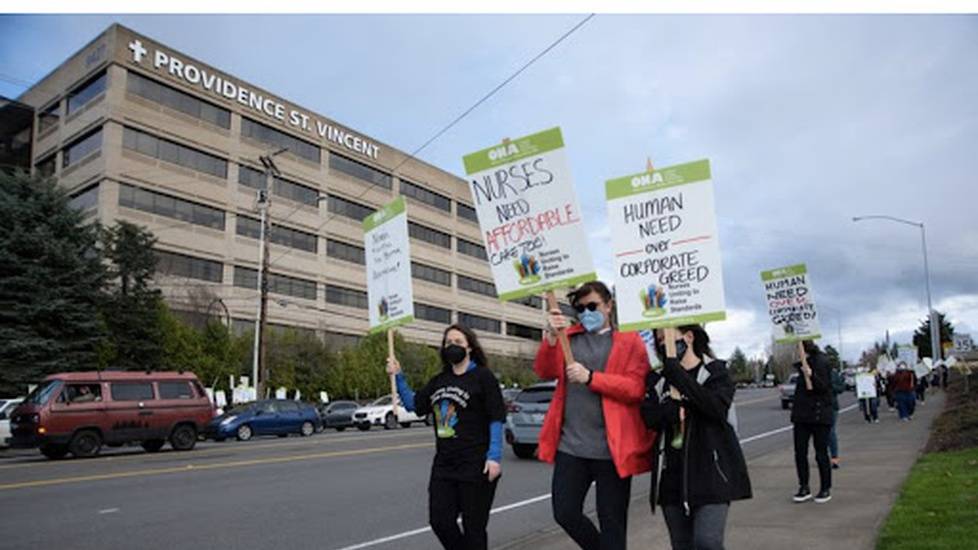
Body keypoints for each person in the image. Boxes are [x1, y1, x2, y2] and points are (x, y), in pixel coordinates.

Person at [535, 281, 653, 550]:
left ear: (609, 306)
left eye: (592, 306)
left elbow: (635, 388)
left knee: (612, 521)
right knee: (565, 512)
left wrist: (591, 378)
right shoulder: (568, 338)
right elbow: (544, 371)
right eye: (580, 308)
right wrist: (551, 338)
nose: (586, 313)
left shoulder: (630, 341)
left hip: (611, 450)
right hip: (571, 446)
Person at [387, 324, 506, 550]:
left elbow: (496, 418)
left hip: (476, 465)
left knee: (474, 529)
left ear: (469, 347)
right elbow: (414, 405)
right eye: (448, 342)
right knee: (440, 521)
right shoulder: (439, 380)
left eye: (458, 342)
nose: (453, 346)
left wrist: (494, 457)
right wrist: (398, 376)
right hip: (444, 465)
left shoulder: (483, 377)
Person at [641, 325, 752, 550]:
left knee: (707, 542)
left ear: (689, 337)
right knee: (682, 544)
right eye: (659, 340)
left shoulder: (716, 372)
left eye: (668, 338)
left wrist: (677, 374)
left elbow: (716, 407)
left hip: (712, 473)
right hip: (673, 476)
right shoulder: (657, 379)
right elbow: (649, 417)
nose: (663, 344)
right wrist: (669, 411)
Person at [791, 341, 834, 504]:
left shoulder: (821, 361)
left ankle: (825, 488)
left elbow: (824, 387)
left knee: (821, 453)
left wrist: (811, 375)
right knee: (800, 453)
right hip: (802, 416)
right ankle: (804, 486)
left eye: (798, 347)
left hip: (819, 415)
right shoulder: (801, 364)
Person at [829, 363, 847, 469]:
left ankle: (834, 457)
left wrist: (831, 386)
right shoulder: (813, 373)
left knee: (831, 432)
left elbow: (841, 388)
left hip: (832, 406)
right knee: (821, 433)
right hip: (817, 407)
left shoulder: (833, 373)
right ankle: (823, 456)